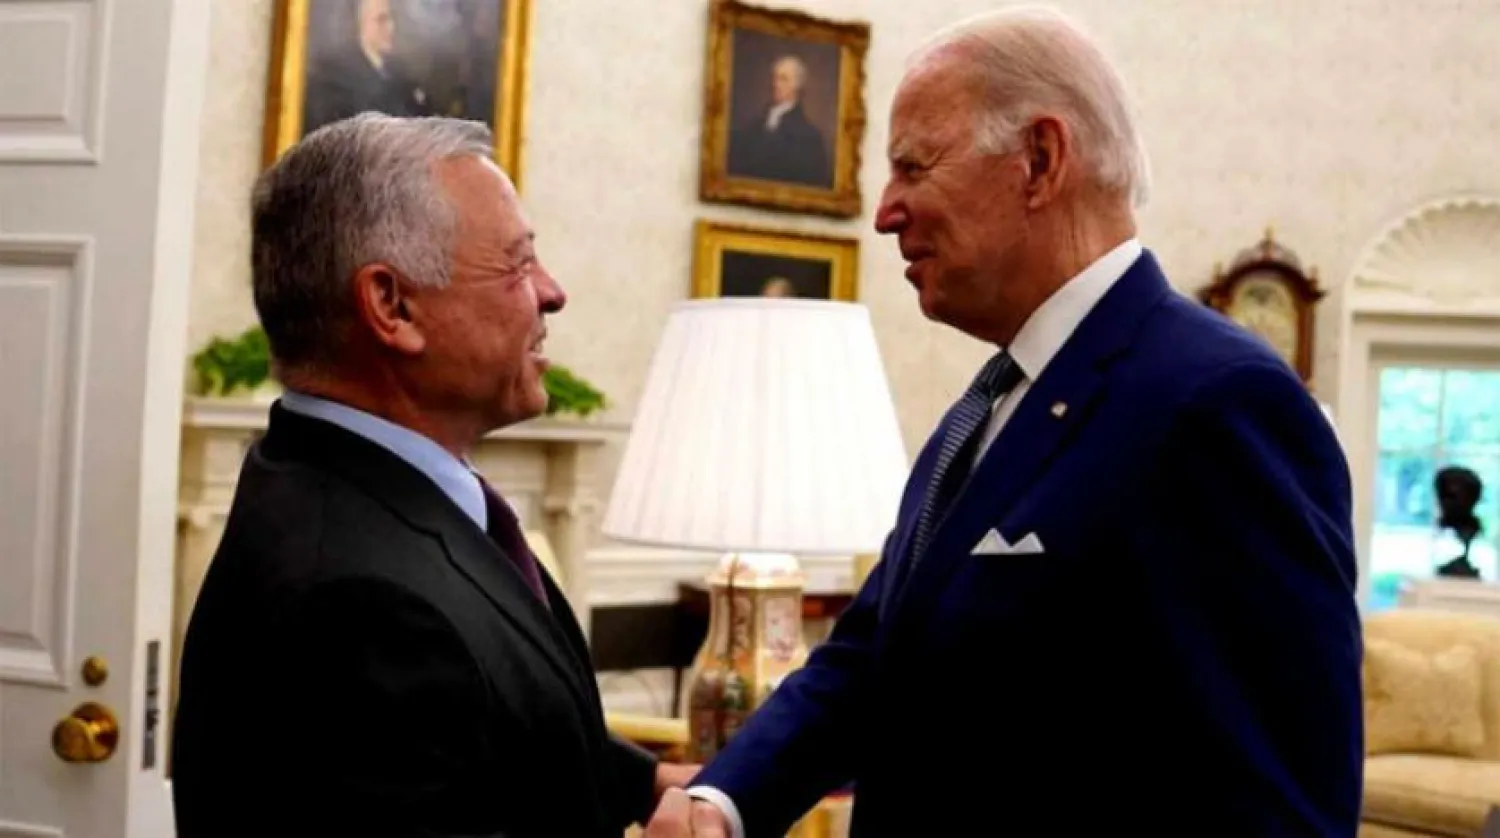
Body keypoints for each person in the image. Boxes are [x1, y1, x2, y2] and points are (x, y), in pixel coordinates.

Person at [649, 6, 1362, 837]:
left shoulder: (1219, 402)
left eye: (913, 167)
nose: (885, 211)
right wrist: (723, 802)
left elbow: (1282, 804)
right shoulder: (989, 402)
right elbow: (877, 654)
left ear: (1039, 161)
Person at [172, 114, 695, 837]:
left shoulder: (336, 476)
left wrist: (646, 782)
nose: (552, 292)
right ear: (392, 305)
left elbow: (483, 715)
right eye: (517, 264)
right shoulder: (356, 602)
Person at [303, 0, 434, 135]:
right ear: (360, 24)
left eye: (392, 18)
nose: (391, 27)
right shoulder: (334, 77)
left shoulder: (401, 73)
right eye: (381, 20)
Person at [726, 55, 833, 188]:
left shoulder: (810, 136)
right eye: (775, 78)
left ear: (797, 86)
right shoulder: (753, 126)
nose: (775, 84)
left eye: (784, 79)